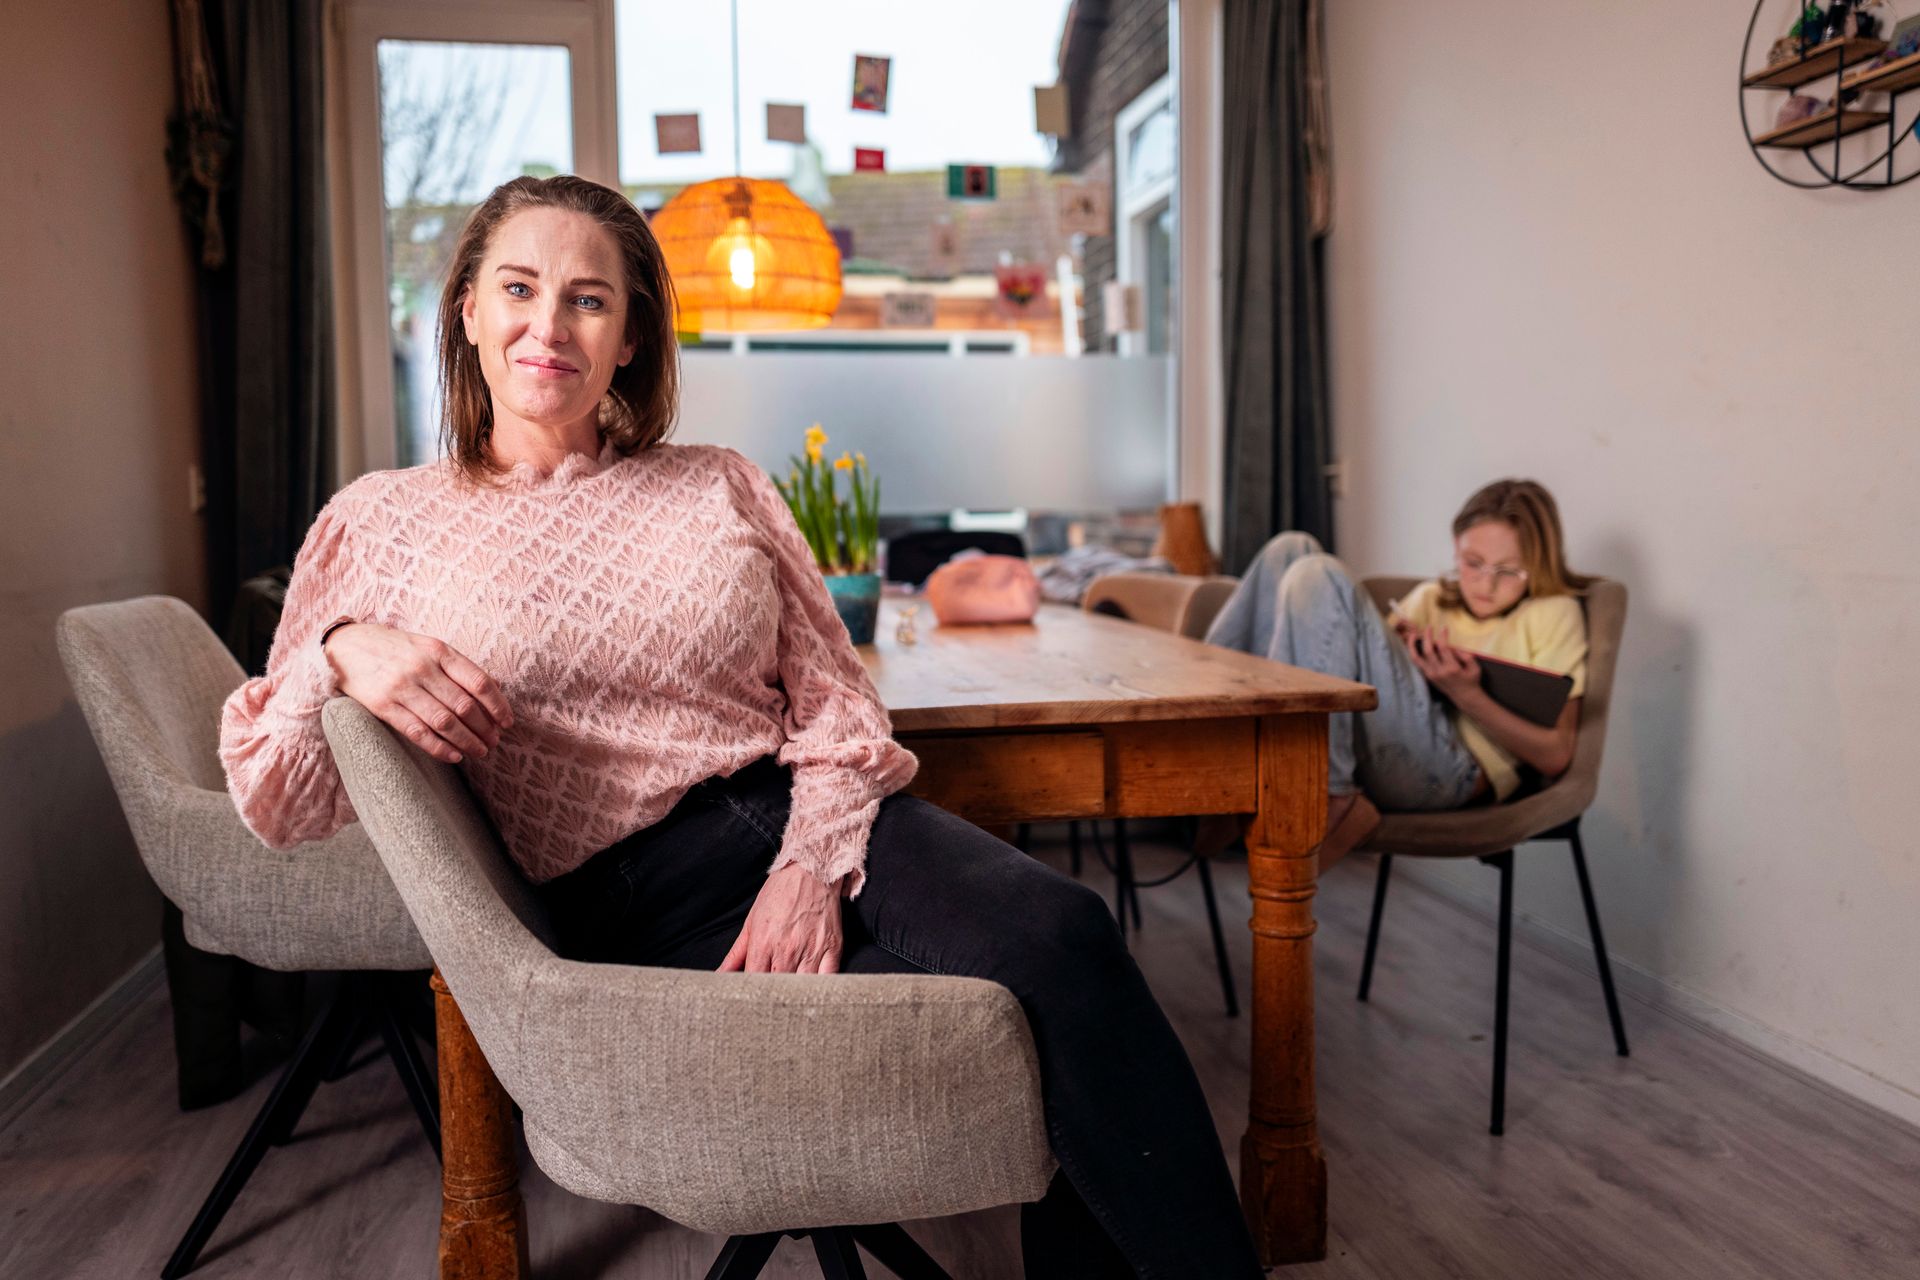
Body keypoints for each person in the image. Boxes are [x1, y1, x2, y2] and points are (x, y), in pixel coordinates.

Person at [218, 174, 1261, 1278]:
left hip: (811, 816)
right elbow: (275, 796)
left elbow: (837, 698)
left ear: (628, 340)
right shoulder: (381, 519)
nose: (549, 325)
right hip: (629, 896)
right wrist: (337, 650)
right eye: (519, 288)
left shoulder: (719, 482)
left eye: (590, 300)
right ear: (468, 309)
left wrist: (811, 861)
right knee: (1039, 1023)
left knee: (1066, 943)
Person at [1205, 481, 1591, 871]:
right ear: (1456, 546)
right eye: (1473, 563)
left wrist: (1465, 693)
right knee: (1290, 548)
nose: (1486, 585)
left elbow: (1556, 756)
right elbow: (1343, 670)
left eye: (1508, 571)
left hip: (1455, 773)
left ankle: (1331, 796)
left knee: (1320, 571)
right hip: (1385, 745)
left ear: (1537, 564)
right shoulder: (1430, 599)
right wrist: (1395, 653)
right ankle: (1221, 751)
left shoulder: (1554, 613)